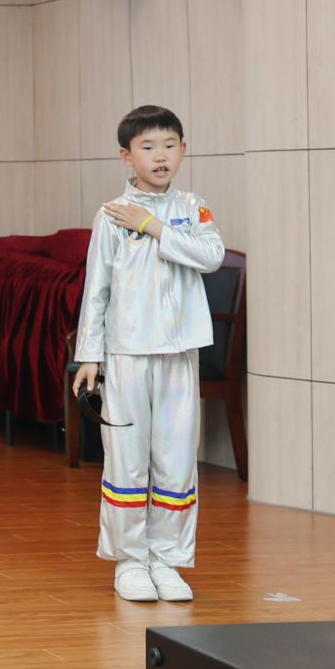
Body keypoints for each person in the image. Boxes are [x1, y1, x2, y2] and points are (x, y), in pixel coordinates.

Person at [72, 105, 223, 604]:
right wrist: (90, 355)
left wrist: (154, 227)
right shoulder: (111, 215)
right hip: (128, 354)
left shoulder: (194, 208)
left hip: (180, 353)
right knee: (128, 459)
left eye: (170, 145)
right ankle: (131, 561)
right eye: (148, 147)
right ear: (126, 156)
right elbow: (97, 288)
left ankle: (168, 560)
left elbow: (211, 256)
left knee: (177, 460)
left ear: (184, 149)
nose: (161, 156)